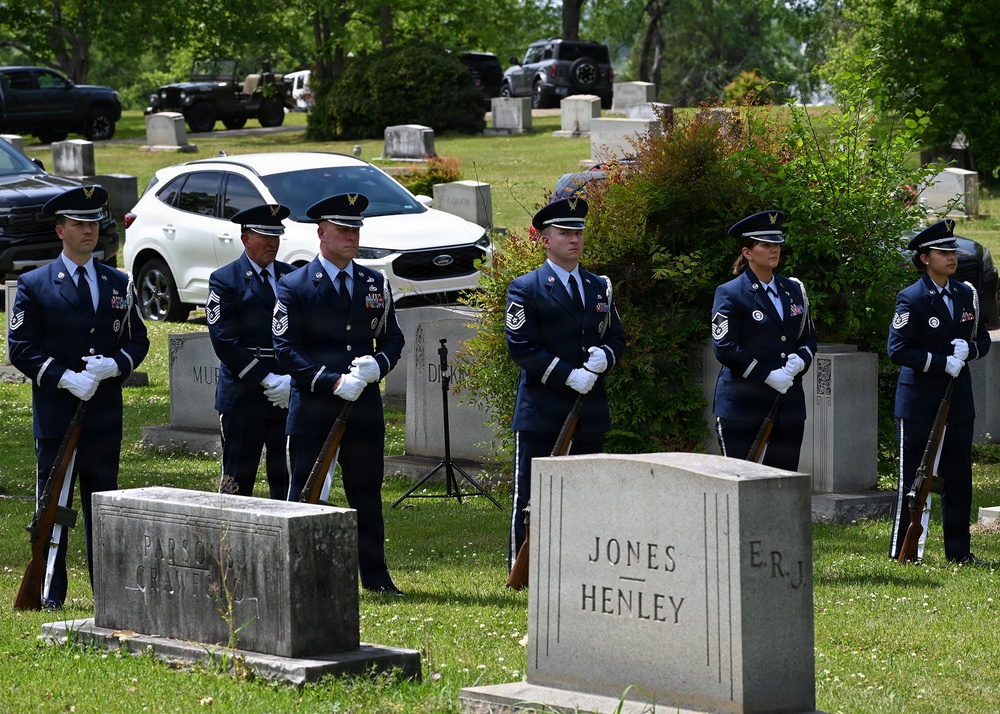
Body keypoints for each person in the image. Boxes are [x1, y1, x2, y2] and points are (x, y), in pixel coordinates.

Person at [7, 185, 149, 609]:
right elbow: (20, 347)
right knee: (56, 506)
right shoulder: (35, 284)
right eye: (79, 224)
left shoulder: (118, 282)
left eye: (94, 223)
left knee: (102, 504)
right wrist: (64, 377)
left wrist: (116, 365)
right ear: (60, 230)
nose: (89, 230)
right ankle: (49, 589)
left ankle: (108, 589)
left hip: (103, 415)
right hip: (57, 416)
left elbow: (138, 340)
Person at [273, 193, 406, 596]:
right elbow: (285, 348)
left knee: (366, 495)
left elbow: (393, 339)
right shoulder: (294, 284)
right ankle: (301, 575)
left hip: (363, 410)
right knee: (306, 495)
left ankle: (376, 577)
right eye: (344, 229)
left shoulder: (374, 283)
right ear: (321, 233)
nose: (352, 236)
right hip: (315, 407)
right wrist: (330, 380)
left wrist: (378, 366)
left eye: (356, 229)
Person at [504, 196, 625, 571]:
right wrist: (567, 374)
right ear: (545, 240)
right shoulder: (526, 288)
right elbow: (521, 346)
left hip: (589, 408)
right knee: (532, 495)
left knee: (588, 491)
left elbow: (616, 336)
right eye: (565, 233)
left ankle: (580, 565)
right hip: (543, 408)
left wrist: (607, 356)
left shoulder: (598, 286)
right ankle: (522, 568)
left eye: (578, 233)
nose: (574, 239)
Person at [887, 219, 991, 564]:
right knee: (913, 479)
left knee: (959, 479)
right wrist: (939, 361)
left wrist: (969, 350)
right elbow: (897, 349)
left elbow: (983, 340)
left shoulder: (966, 294)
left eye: (953, 251)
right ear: (924, 258)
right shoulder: (912, 298)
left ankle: (959, 553)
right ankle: (904, 552)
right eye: (943, 252)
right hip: (920, 400)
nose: (952, 257)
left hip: (958, 399)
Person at [711, 210, 817, 470]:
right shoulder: (730, 293)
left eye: (777, 244)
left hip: (787, 405)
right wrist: (767, 375)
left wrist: (799, 361)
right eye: (766, 245)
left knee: (783, 483)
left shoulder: (793, 289)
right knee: (742, 483)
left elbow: (808, 337)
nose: (775, 250)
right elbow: (725, 348)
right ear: (747, 253)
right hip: (744, 405)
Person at [206, 204, 297, 499]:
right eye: (264, 236)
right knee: (237, 478)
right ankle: (229, 542)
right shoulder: (225, 279)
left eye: (277, 236)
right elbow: (224, 340)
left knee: (286, 478)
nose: (273, 243)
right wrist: (266, 378)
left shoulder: (291, 277)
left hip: (285, 392)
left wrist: (290, 382)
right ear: (246, 238)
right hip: (244, 394)